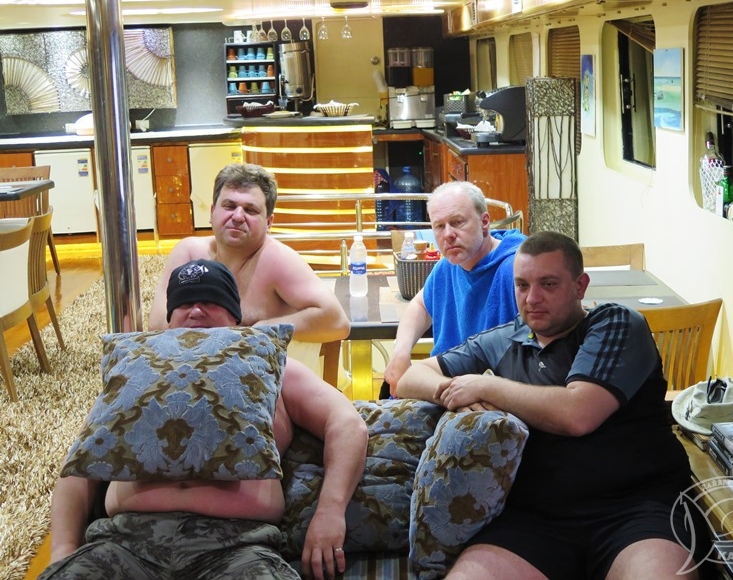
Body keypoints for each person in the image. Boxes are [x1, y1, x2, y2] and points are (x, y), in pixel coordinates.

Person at [396, 231, 704, 580]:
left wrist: (485, 385)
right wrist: (452, 392)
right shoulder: (504, 339)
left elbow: (578, 414)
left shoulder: (615, 324)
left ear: (580, 286)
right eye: (522, 285)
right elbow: (409, 377)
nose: (532, 298)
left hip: (637, 509)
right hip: (535, 519)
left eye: (548, 284)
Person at [42, 259, 368, 580]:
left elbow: (347, 424)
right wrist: (63, 548)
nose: (196, 311)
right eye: (184, 303)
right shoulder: (135, 373)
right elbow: (79, 467)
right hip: (124, 543)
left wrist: (330, 512)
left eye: (211, 301)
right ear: (169, 320)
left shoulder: (271, 366)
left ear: (236, 318)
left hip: (237, 547)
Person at [148, 163, 350, 372]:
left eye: (250, 210)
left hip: (268, 381)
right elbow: (156, 325)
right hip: (189, 372)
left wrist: (259, 330)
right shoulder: (189, 253)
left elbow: (337, 322)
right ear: (212, 212)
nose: (237, 216)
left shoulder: (277, 259)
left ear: (268, 222)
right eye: (229, 206)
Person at [383, 181, 524, 397]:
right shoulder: (448, 266)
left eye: (457, 222)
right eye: (439, 226)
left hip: (494, 397)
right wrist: (400, 352)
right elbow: (421, 304)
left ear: (484, 222)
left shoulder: (517, 268)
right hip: (446, 389)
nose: (448, 234)